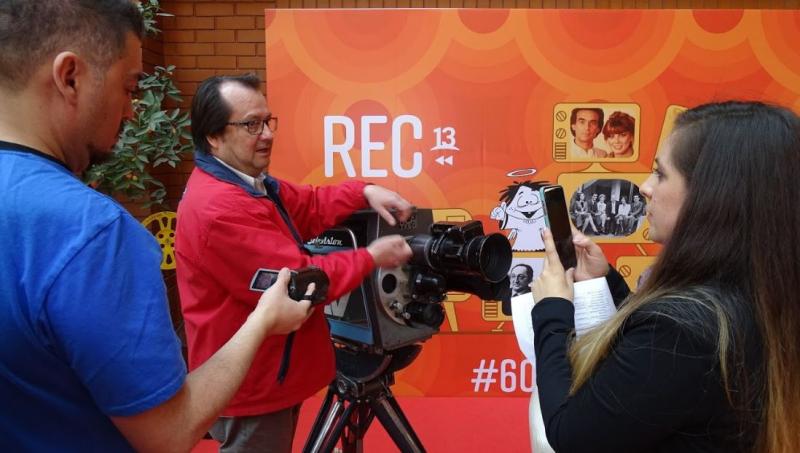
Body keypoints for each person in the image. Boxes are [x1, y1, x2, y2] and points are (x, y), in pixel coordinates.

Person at [0, 1, 314, 452]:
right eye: (129, 88)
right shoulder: (94, 233)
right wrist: (263, 320)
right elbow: (168, 431)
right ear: (70, 77)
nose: (131, 112)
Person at [531, 101, 800, 452]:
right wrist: (608, 281)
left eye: (660, 174)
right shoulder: (751, 297)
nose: (645, 187)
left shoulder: (683, 332)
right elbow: (656, 368)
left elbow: (571, 435)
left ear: (712, 193)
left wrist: (552, 312)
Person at [176, 73, 414, 453]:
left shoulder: (249, 184)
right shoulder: (219, 208)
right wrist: (372, 257)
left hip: (271, 370)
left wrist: (364, 191)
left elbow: (310, 204)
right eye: (251, 125)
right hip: (254, 382)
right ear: (214, 136)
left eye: (268, 121)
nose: (267, 134)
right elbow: (300, 284)